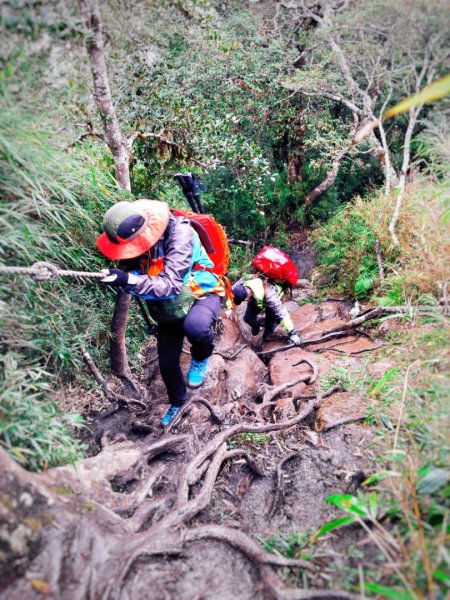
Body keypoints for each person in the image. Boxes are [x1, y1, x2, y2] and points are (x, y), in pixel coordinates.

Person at [96, 199, 225, 425]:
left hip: (201, 292)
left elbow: (170, 284)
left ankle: (201, 357)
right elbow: (134, 274)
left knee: (195, 327)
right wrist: (119, 275)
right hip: (170, 307)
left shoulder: (180, 233)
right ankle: (178, 402)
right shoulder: (134, 242)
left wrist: (128, 279)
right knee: (166, 362)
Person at [228, 276, 302, 346]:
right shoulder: (243, 281)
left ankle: (265, 339)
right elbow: (231, 295)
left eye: (245, 298)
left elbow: (281, 312)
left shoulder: (270, 295)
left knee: (270, 326)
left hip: (271, 300)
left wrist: (292, 333)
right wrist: (230, 308)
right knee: (247, 318)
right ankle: (257, 325)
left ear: (248, 293)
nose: (246, 300)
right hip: (256, 299)